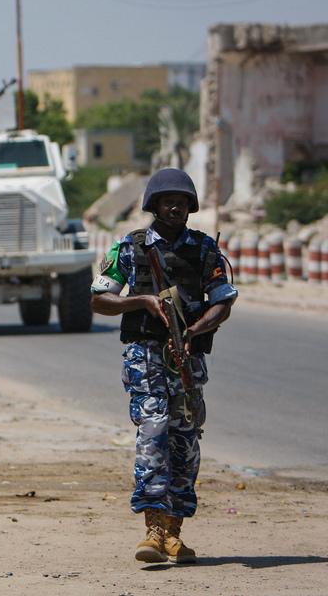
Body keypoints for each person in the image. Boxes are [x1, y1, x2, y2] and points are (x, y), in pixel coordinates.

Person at [90, 168, 237, 564]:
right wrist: (142, 302)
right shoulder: (130, 248)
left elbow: (223, 300)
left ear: (191, 207)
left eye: (183, 202)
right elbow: (99, 299)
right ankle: (153, 529)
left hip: (186, 361)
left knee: (185, 444)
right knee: (153, 435)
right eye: (168, 201)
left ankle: (174, 532)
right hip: (145, 358)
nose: (175, 207)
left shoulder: (205, 250)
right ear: (153, 205)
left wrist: (195, 329)